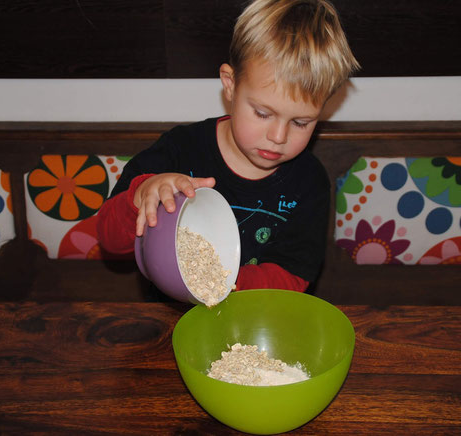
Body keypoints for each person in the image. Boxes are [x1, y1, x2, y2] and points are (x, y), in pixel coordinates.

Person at [97, 0, 359, 293]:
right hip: (170, 320)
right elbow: (109, 241)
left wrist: (222, 286)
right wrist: (141, 196)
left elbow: (292, 273)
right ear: (230, 84)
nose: (278, 136)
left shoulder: (309, 182)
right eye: (262, 113)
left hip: (255, 317)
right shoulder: (179, 149)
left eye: (301, 122)